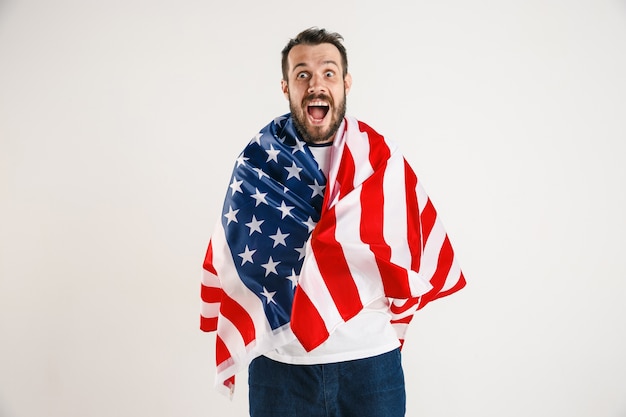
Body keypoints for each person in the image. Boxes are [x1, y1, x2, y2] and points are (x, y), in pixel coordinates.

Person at [200, 27, 466, 417]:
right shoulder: (257, 163)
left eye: (327, 72)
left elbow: (415, 251)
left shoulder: (381, 160)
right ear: (286, 86)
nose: (315, 84)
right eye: (302, 74)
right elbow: (232, 257)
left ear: (346, 82)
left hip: (371, 367)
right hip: (280, 369)